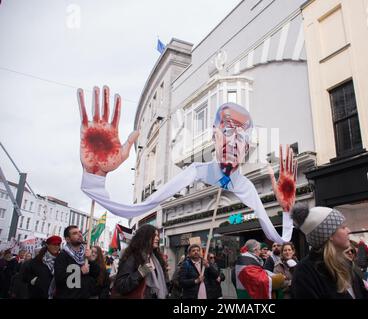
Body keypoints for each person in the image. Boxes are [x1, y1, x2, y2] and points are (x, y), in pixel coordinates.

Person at [77, 88, 297, 244]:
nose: (233, 143)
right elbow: (141, 207)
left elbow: (279, 238)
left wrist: (287, 212)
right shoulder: (196, 172)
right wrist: (94, 177)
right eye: (228, 131)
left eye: (241, 137)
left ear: (247, 147)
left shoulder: (246, 187)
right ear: (215, 136)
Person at [290, 204, 368, 299]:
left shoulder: (346, 264)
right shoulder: (305, 273)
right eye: (343, 227)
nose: (348, 230)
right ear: (329, 235)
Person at [113, 224, 168, 299]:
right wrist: (140, 273)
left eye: (158, 236)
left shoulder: (156, 258)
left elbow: (161, 284)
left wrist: (165, 272)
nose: (157, 238)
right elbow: (121, 285)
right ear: (144, 237)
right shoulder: (133, 257)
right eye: (154, 236)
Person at [54, 226, 100, 299]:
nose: (80, 234)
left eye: (80, 232)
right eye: (75, 233)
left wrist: (90, 259)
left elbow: (96, 274)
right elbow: (59, 279)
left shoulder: (85, 255)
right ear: (68, 239)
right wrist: (80, 271)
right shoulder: (62, 256)